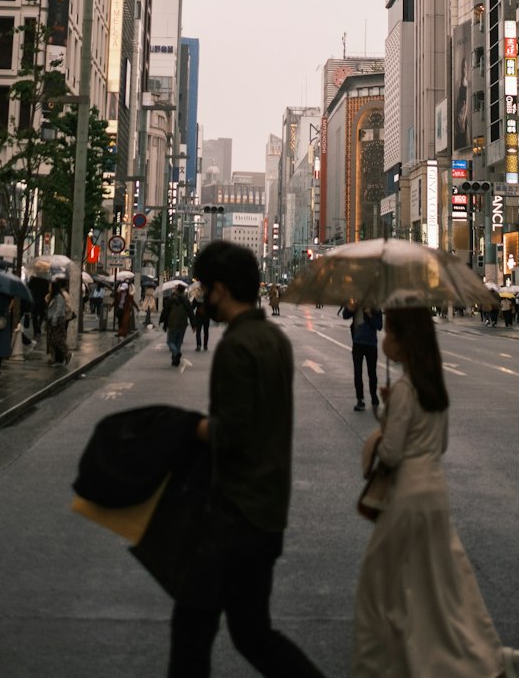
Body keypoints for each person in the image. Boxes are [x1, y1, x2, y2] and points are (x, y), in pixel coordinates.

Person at [167, 240, 325, 678]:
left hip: (232, 514)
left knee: (192, 629)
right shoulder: (272, 338)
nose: (202, 296)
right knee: (252, 632)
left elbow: (231, 434)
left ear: (220, 289)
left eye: (204, 287)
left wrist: (184, 427)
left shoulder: (238, 345)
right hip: (266, 508)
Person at [352, 306, 519, 678]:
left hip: (407, 498)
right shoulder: (434, 388)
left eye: (390, 333)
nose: (384, 339)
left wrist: (383, 426)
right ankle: (480, 656)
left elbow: (392, 453)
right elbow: (439, 445)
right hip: (435, 492)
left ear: (402, 341)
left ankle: (398, 663)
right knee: (443, 585)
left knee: (382, 586)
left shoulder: (404, 391)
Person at [342, 300, 382, 413]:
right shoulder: (356, 303)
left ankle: (374, 396)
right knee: (357, 372)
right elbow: (345, 316)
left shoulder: (375, 307)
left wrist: (370, 314)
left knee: (372, 372)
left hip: (371, 344)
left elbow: (379, 326)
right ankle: (360, 399)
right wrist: (350, 307)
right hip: (357, 343)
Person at [160, 283, 192, 367]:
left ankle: (176, 353)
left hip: (172, 323)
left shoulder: (171, 299)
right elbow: (190, 312)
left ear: (177, 290)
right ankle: (175, 360)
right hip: (183, 324)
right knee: (178, 342)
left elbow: (165, 311)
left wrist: (162, 320)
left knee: (170, 341)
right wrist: (193, 323)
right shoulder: (185, 300)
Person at [45, 275, 75, 364]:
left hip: (57, 321)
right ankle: (53, 358)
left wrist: (54, 319)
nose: (49, 288)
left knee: (58, 339)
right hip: (51, 320)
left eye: (50, 286)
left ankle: (67, 353)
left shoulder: (59, 297)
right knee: (51, 340)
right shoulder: (52, 296)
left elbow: (59, 310)